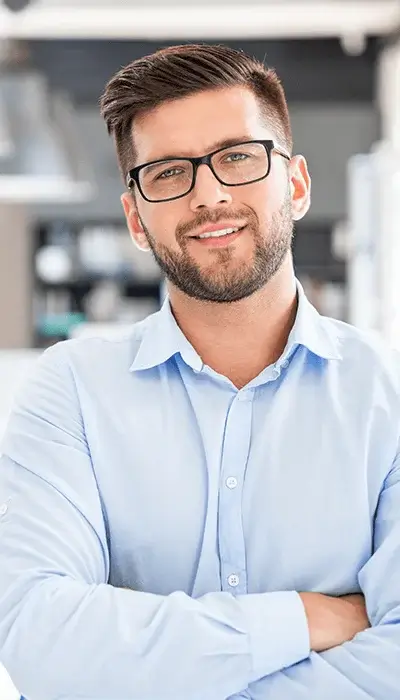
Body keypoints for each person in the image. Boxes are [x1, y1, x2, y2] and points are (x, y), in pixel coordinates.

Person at [0, 43, 399, 700]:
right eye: (167, 172)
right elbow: (40, 641)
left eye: (237, 157)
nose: (209, 194)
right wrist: (308, 617)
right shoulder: (70, 392)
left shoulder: (388, 394)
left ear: (295, 184)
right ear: (135, 216)